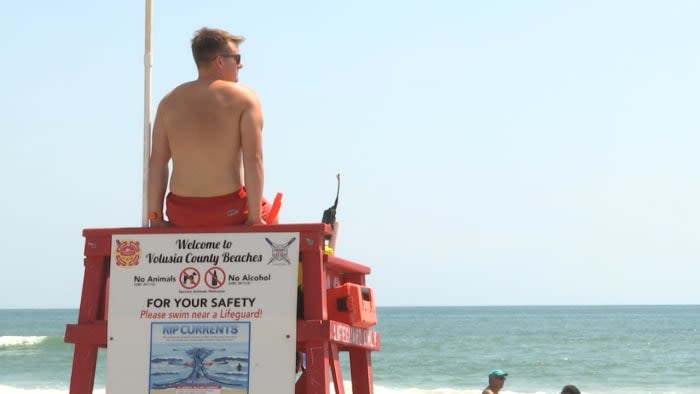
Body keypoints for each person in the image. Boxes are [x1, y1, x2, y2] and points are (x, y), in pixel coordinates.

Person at [147, 27, 271, 227]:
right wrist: (255, 218)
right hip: (228, 209)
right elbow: (254, 159)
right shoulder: (245, 98)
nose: (241, 65)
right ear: (220, 61)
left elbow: (157, 163)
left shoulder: (168, 102)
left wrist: (155, 218)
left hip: (182, 212)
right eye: (237, 59)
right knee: (272, 215)